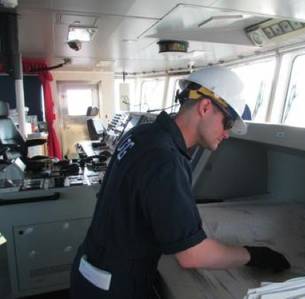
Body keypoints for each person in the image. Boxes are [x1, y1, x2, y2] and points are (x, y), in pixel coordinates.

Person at [70, 66, 290, 299]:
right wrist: (253, 255)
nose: (227, 134)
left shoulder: (143, 134)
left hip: (91, 269)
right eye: (227, 123)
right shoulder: (166, 159)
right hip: (115, 287)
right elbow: (192, 255)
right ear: (205, 107)